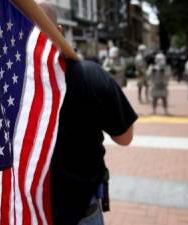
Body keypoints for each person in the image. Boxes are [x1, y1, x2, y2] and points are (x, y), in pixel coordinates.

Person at [37, 2, 138, 225]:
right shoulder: (89, 75)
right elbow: (125, 137)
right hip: (81, 209)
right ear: (60, 31)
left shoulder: (1, 85)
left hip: (23, 210)